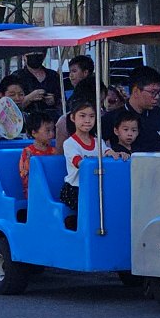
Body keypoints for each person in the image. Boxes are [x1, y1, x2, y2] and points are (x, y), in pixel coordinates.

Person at [102, 65, 160, 151]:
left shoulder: (157, 113)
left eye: (159, 93)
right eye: (153, 92)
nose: (157, 97)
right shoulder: (112, 118)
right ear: (136, 91)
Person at [58, 97, 99, 229]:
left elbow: (107, 152)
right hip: (75, 188)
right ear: (73, 118)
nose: (87, 120)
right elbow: (77, 162)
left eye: (91, 116)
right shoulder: (70, 143)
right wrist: (87, 163)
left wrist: (116, 154)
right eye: (82, 116)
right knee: (90, 202)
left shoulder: (98, 141)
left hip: (94, 185)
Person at [17, 110, 57, 200]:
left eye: (52, 130)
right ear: (34, 132)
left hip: (52, 188)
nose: (51, 134)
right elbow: (25, 176)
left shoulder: (55, 151)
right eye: (47, 130)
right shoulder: (28, 152)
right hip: (34, 192)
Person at [14, 53, 62, 117]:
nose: (35, 55)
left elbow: (63, 101)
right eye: (31, 52)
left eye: (38, 53)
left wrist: (54, 100)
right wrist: (29, 98)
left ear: (44, 56)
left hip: (51, 119)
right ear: (24, 56)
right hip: (27, 121)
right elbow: (11, 107)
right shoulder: (16, 77)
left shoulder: (53, 75)